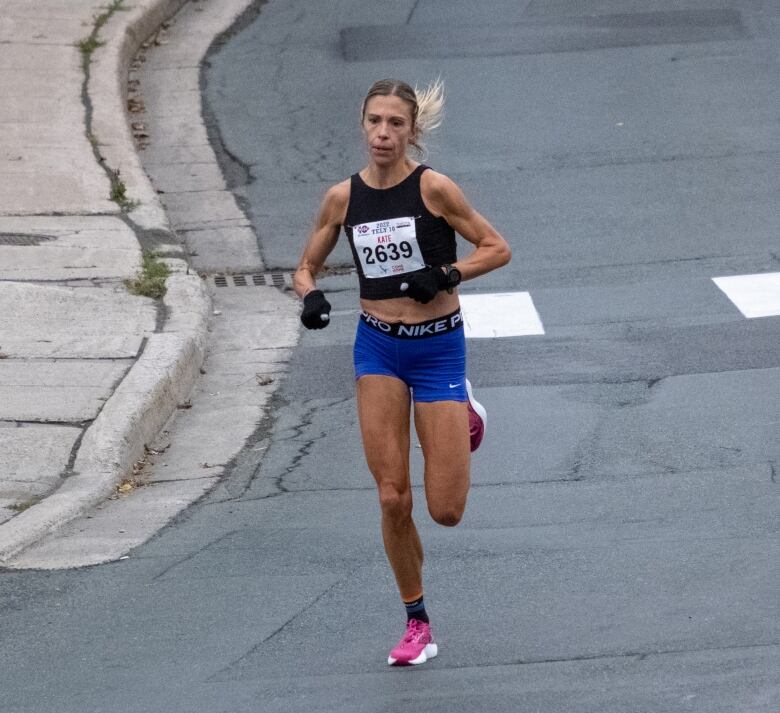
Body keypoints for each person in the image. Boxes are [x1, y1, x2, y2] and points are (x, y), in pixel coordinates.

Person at [293, 78, 511, 666]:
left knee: (446, 510)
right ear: (362, 126)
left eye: (395, 123)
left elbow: (496, 247)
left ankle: (464, 408)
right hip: (378, 348)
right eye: (374, 122)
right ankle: (417, 621)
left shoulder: (434, 188)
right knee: (392, 497)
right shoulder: (343, 198)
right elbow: (305, 266)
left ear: (412, 130)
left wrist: (446, 276)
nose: (383, 133)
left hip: (438, 347)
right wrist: (310, 295)